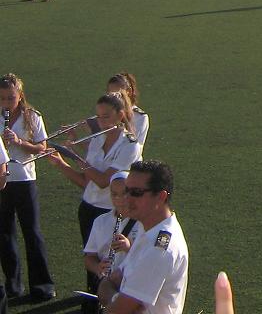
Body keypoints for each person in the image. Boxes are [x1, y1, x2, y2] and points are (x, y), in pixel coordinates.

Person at [47, 92, 142, 306]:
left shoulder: (130, 145)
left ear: (120, 115)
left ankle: (118, 303)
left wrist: (78, 159)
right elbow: (85, 181)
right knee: (93, 262)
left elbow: (103, 181)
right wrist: (61, 164)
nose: (101, 122)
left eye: (106, 116)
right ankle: (94, 301)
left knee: (116, 262)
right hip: (89, 208)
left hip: (112, 212)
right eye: (99, 117)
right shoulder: (97, 140)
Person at [98, 160, 188, 314]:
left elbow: (119, 310)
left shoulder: (159, 249)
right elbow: (115, 279)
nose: (126, 198)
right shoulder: (146, 228)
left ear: (160, 197)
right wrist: (115, 297)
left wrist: (111, 296)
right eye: (127, 190)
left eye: (136, 193)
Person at [0, 74, 54, 301]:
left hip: (24, 179)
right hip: (2, 181)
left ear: (20, 95)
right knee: (4, 234)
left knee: (32, 232)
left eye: (11, 97)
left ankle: (42, 286)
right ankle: (13, 285)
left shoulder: (32, 116)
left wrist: (19, 142)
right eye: (2, 98)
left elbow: (42, 147)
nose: (6, 102)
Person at [83, 172, 142, 292]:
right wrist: (98, 267)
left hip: (132, 284)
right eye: (114, 194)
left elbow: (150, 259)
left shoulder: (143, 222)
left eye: (124, 193)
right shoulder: (100, 221)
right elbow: (89, 258)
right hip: (107, 284)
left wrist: (128, 248)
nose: (119, 199)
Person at [106, 74, 149, 153]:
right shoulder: (105, 115)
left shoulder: (140, 117)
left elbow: (133, 145)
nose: (113, 99)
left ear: (128, 91)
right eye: (110, 95)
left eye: (117, 94)